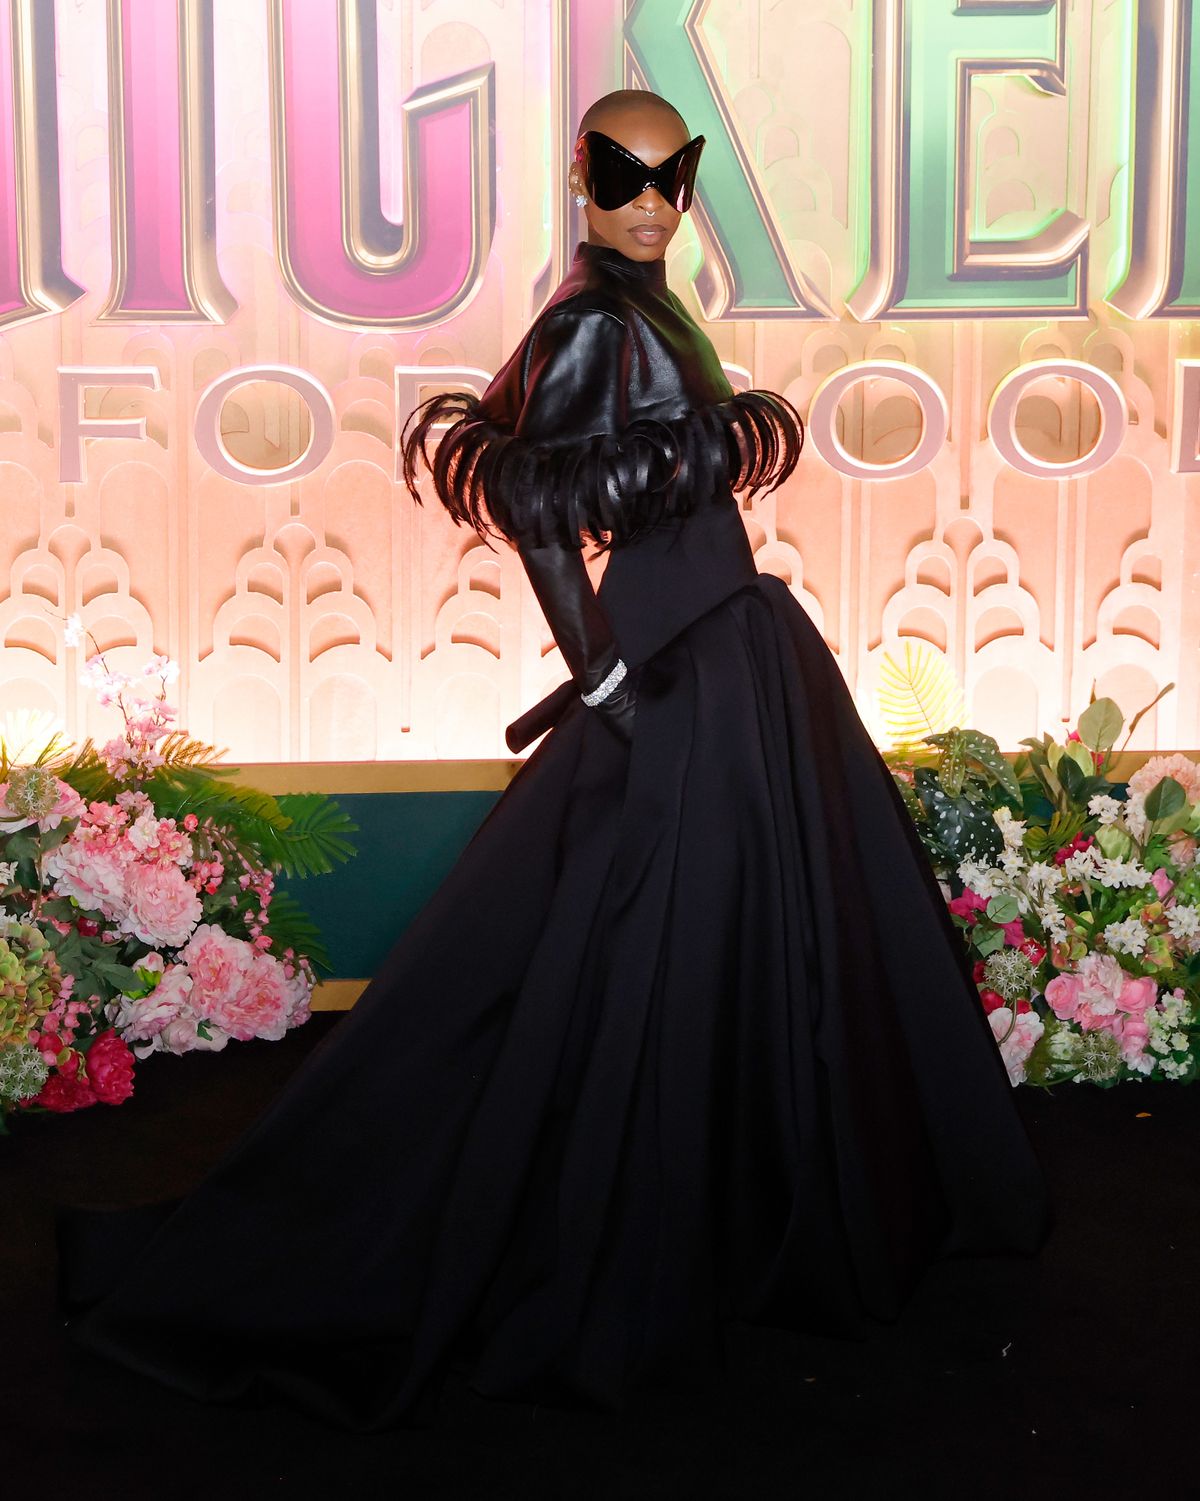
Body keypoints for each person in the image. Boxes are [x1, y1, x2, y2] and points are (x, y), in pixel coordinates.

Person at [55, 90, 1050, 1433]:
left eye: (672, 174)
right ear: (582, 177)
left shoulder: (643, 305)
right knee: (632, 946)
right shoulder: (588, 322)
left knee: (707, 941)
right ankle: (622, 1239)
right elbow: (538, 509)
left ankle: (720, 1220)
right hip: (679, 671)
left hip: (728, 653)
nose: (650, 199)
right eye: (622, 173)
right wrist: (608, 680)